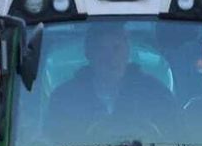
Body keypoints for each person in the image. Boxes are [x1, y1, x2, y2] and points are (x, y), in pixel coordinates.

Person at [46, 24, 177, 126]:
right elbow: (50, 143)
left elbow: (175, 136)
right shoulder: (64, 99)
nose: (111, 58)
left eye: (116, 48)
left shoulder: (157, 95)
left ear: (127, 51)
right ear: (89, 53)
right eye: (102, 49)